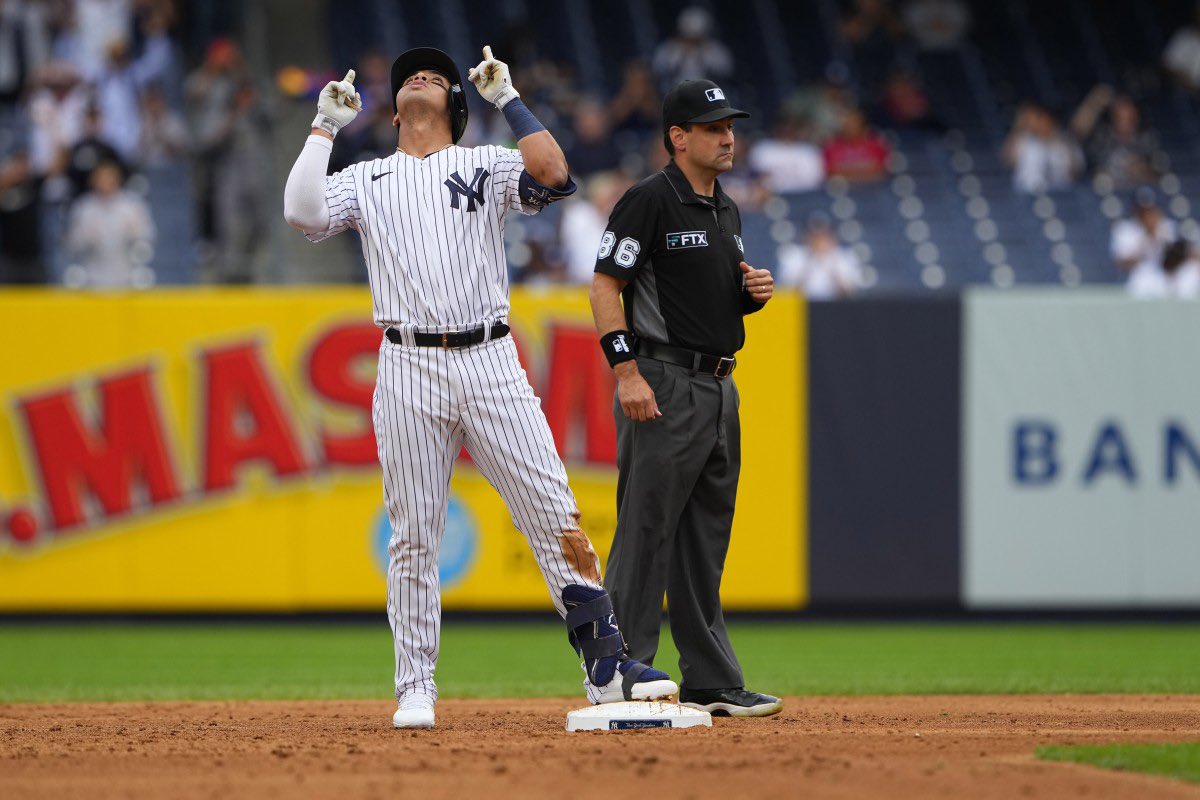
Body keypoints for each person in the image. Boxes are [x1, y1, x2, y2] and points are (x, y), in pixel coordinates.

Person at [283, 46, 677, 730]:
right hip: (406, 363)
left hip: (490, 357)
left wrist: (510, 100)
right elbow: (302, 213)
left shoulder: (486, 161)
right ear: (396, 102)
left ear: (457, 107)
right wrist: (324, 128)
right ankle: (415, 686)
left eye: (435, 74)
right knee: (412, 535)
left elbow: (556, 174)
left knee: (553, 510)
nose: (422, 75)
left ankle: (606, 666)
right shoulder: (367, 175)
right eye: (411, 73)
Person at [587, 79, 782, 718]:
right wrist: (626, 374)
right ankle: (619, 672)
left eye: (730, 125)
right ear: (679, 137)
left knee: (705, 537)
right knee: (646, 529)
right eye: (713, 126)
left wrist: (747, 292)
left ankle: (709, 677)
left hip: (720, 384)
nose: (728, 136)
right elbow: (604, 288)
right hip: (663, 382)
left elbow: (706, 299)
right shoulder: (649, 200)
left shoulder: (725, 207)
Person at [64, 158, 154, 287]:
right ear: (94, 180)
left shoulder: (131, 205)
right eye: (101, 178)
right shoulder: (84, 207)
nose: (105, 183)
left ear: (117, 179)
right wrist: (86, 237)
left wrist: (135, 232)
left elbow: (148, 236)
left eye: (109, 177)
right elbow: (72, 243)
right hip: (92, 278)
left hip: (126, 277)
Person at [778, 213, 864, 298]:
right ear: (806, 236)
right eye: (814, 236)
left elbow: (850, 293)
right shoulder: (793, 255)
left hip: (836, 306)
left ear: (831, 236)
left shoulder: (844, 256)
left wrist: (831, 261)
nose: (819, 240)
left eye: (823, 235)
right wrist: (810, 259)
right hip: (802, 306)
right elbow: (787, 292)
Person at [1002, 103, 1082, 194]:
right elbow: (1007, 160)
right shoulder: (1026, 141)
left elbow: (1076, 170)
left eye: (1043, 118)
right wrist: (1020, 125)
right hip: (1027, 195)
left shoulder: (1065, 142)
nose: (1040, 123)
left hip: (1060, 195)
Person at [1111, 187, 1175, 282]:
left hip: (1164, 276)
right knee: (1143, 274)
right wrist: (1147, 237)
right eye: (1143, 211)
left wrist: (1156, 237)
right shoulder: (1125, 228)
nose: (1147, 214)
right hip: (1136, 278)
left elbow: (1173, 258)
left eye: (1150, 210)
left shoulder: (1166, 226)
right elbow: (1121, 262)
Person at [1128, 238, 1200, 299]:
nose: (1173, 260)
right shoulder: (1144, 273)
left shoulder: (1191, 274)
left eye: (1177, 257)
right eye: (1171, 255)